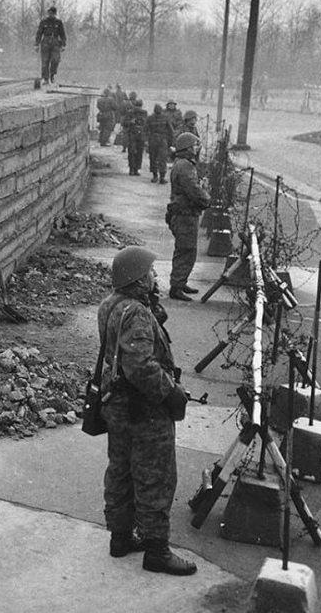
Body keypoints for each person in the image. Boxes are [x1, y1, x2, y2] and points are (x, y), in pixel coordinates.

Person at [98, 246, 195, 576]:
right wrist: (171, 394)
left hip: (117, 407)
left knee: (121, 471)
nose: (156, 276)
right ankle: (156, 550)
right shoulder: (136, 313)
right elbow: (139, 365)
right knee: (155, 477)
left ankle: (121, 537)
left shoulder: (111, 305)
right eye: (150, 273)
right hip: (144, 411)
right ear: (138, 280)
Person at [167, 132, 211, 301]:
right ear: (187, 148)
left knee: (186, 250)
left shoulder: (182, 163)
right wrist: (206, 200)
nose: (196, 148)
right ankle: (176, 287)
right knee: (186, 251)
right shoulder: (185, 166)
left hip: (183, 213)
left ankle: (180, 282)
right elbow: (193, 190)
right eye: (193, 145)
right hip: (185, 215)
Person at [34, 6, 66, 86]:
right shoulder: (43, 22)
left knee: (55, 60)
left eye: (52, 13)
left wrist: (63, 44)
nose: (50, 15)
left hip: (55, 42)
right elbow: (39, 33)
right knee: (45, 61)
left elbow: (62, 34)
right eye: (49, 13)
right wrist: (36, 44)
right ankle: (45, 78)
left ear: (55, 14)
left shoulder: (58, 22)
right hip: (45, 42)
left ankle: (52, 75)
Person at [145, 103, 174, 184]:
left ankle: (155, 176)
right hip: (162, 139)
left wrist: (146, 140)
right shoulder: (166, 117)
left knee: (153, 158)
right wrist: (170, 142)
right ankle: (161, 177)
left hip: (153, 139)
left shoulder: (150, 118)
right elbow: (171, 130)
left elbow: (146, 130)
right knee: (162, 158)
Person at [126, 99, 147, 176]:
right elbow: (124, 123)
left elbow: (146, 124)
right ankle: (132, 168)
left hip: (140, 133)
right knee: (132, 151)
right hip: (132, 133)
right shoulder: (130, 113)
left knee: (139, 152)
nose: (138, 108)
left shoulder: (144, 113)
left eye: (139, 106)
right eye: (137, 106)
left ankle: (136, 169)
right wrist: (130, 122)